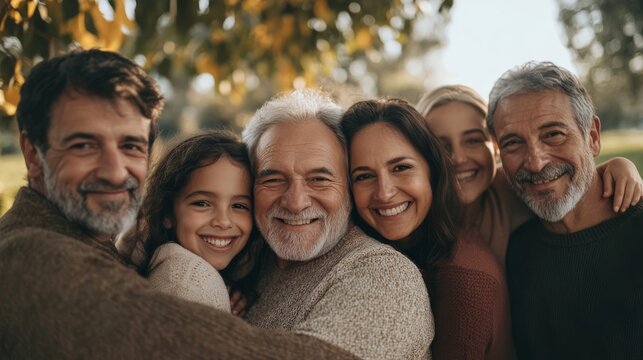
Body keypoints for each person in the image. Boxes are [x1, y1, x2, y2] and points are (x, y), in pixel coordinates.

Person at [0, 49, 357, 359]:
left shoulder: (103, 244)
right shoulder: (33, 256)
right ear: (33, 154)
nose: (114, 171)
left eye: (131, 146)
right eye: (83, 145)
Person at [241, 89, 433, 359]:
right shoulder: (250, 261)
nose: (295, 203)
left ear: (349, 190)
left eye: (319, 179)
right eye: (273, 179)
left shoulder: (383, 275)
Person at [487, 61, 643, 359]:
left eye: (553, 134)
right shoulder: (518, 250)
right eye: (512, 143)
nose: (535, 162)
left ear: (593, 137)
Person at [341, 98, 513, 360]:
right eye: (364, 176)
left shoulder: (464, 280)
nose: (384, 193)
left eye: (401, 168)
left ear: (432, 171)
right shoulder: (371, 251)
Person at [416, 84, 642, 263]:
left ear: (495, 147)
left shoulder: (507, 187)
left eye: (474, 140)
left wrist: (619, 165)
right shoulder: (418, 212)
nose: (458, 158)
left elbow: (562, 176)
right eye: (440, 146)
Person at [137, 131, 264, 313]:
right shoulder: (190, 283)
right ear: (167, 213)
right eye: (202, 203)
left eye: (239, 205)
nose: (223, 221)